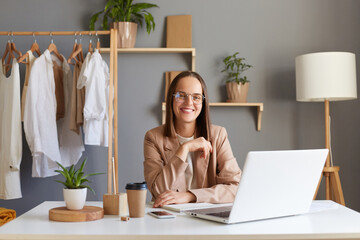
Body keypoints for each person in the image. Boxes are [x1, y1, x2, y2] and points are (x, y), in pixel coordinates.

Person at [143, 71, 241, 208]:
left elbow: (236, 188)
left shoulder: (218, 135)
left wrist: (190, 196)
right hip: (169, 217)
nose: (189, 103)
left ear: (203, 102)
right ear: (171, 99)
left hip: (206, 215)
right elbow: (158, 191)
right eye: (181, 96)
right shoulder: (153, 138)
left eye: (196, 97)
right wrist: (184, 149)